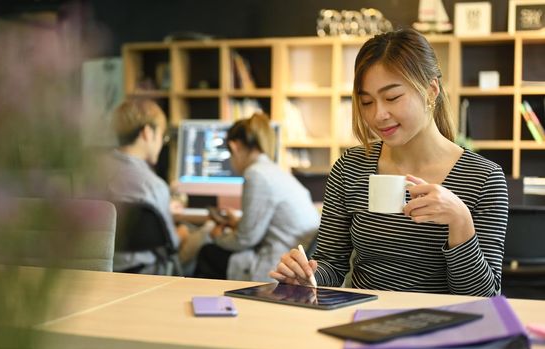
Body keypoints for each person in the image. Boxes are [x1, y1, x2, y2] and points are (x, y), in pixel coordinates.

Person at [269, 29, 508, 297]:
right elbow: (331, 266)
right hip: (361, 323)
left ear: (431, 91)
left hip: (440, 327)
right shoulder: (350, 168)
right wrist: (306, 276)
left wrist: (460, 220)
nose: (378, 115)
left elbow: (482, 298)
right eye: (367, 102)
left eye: (392, 98)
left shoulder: (483, 178)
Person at [194, 113, 320, 282]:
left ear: (235, 146)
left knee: (206, 251)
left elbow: (245, 239)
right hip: (297, 258)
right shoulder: (274, 170)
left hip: (279, 265)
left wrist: (217, 237)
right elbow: (269, 227)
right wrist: (236, 223)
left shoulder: (256, 174)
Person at [100, 97, 208, 274]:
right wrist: (181, 232)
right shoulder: (153, 186)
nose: (161, 144)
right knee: (205, 233)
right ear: (147, 133)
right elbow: (170, 243)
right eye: (162, 136)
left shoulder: (89, 173)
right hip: (146, 273)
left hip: (102, 270)